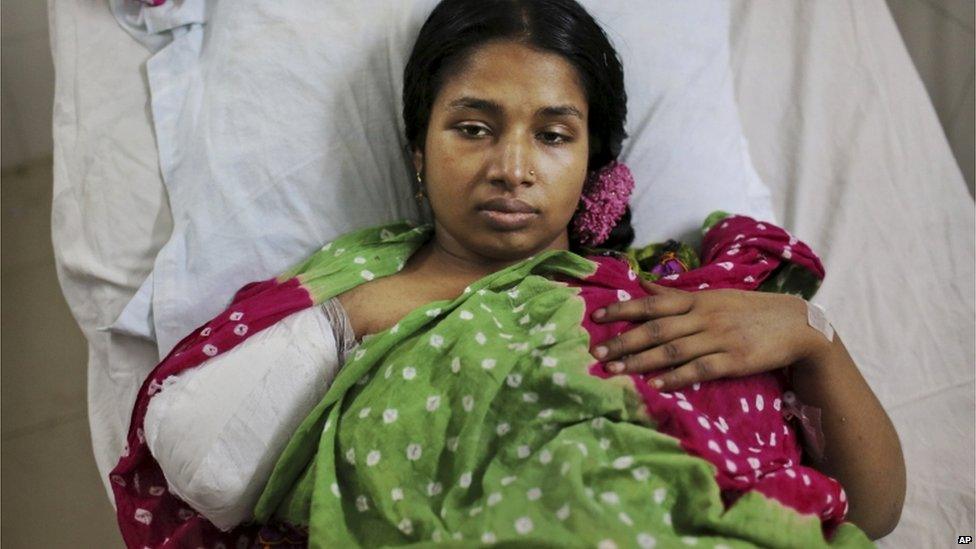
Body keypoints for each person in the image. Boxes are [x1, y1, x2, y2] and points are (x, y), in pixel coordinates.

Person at [109, 0, 905, 547]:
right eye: (473, 127)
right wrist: (381, 304)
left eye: (553, 134)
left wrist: (814, 339)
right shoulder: (349, 290)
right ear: (418, 152)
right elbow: (202, 458)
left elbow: (872, 512)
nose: (512, 168)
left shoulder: (685, 290)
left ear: (594, 160)